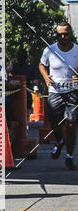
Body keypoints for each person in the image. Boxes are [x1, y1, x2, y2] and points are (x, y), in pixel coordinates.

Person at [39, 21, 78, 169]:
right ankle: (60, 140)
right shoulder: (50, 50)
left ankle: (69, 156)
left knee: (71, 123)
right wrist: (45, 76)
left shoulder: (77, 50)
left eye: (66, 34)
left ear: (71, 34)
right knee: (55, 124)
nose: (63, 37)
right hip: (55, 92)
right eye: (60, 34)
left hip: (73, 92)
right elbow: (42, 65)